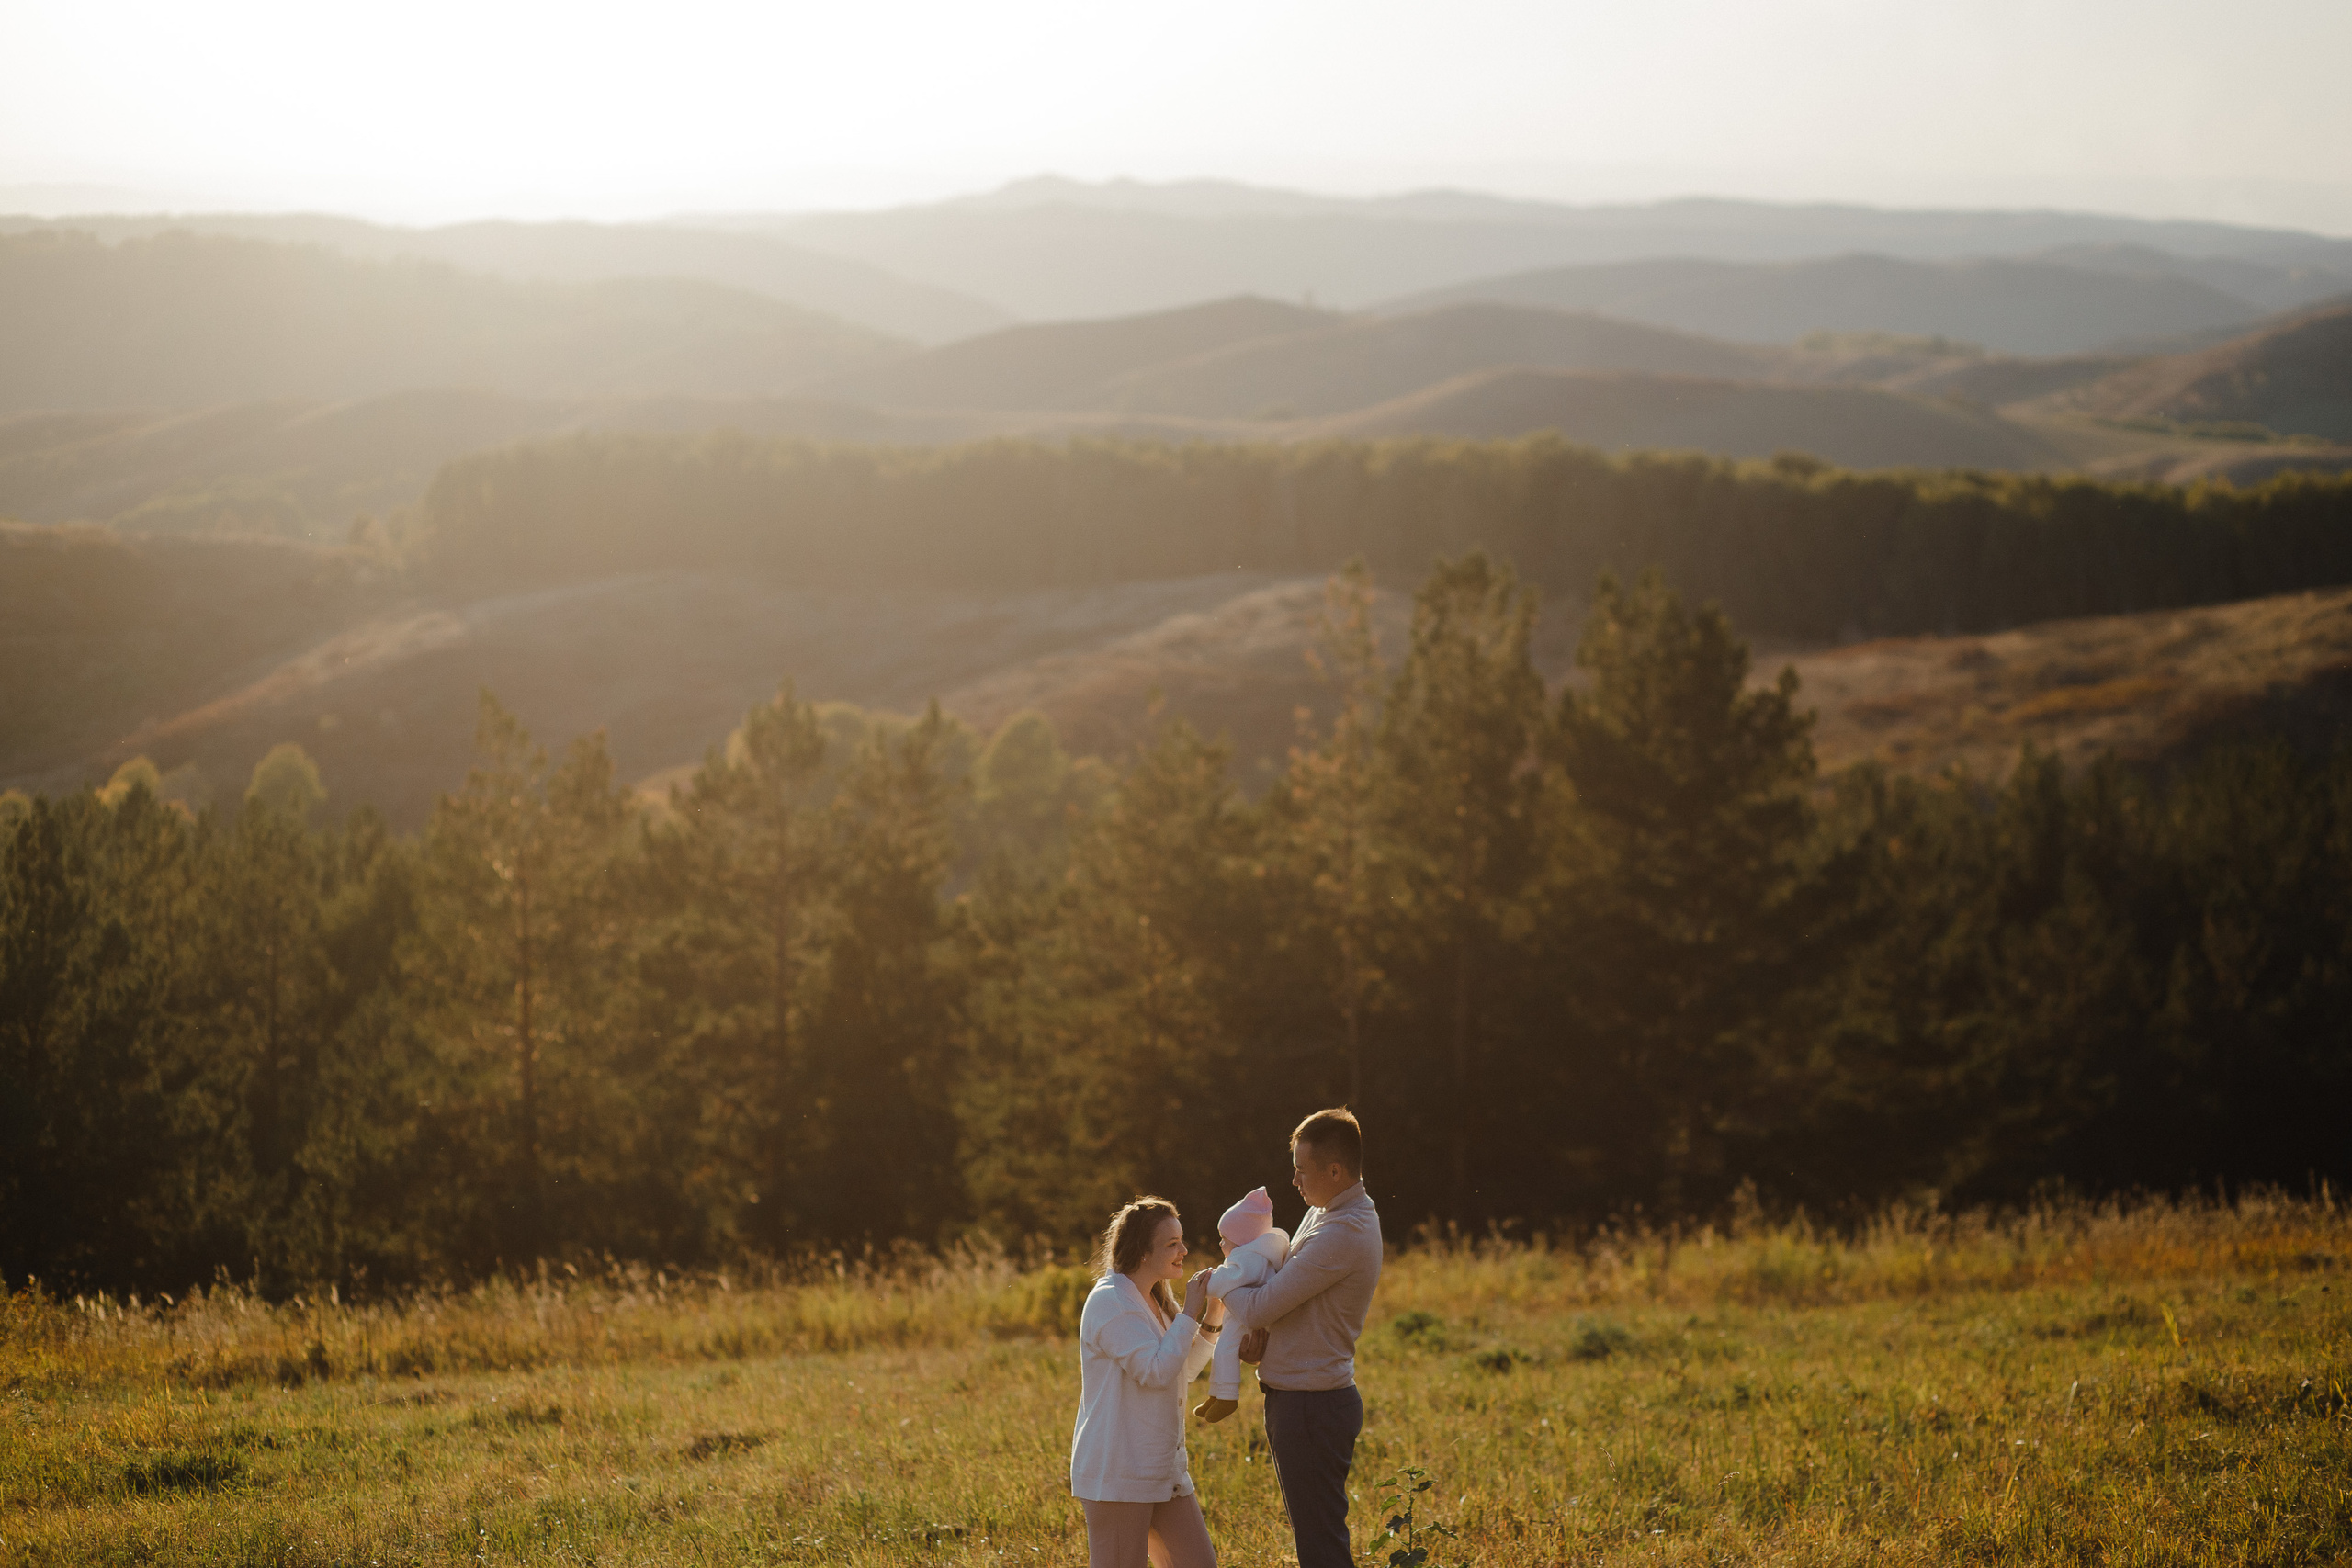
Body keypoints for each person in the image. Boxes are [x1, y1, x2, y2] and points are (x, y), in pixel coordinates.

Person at [1218, 1109, 1382, 1568]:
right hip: (1302, 1401)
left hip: (1312, 1407)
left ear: (1335, 1171)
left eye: (1302, 1169)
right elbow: (1281, 1302)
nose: (1293, 1180)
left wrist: (1222, 1277)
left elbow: (1258, 1305)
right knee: (1317, 1542)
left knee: (1321, 1549)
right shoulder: (1323, 1212)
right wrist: (1264, 1339)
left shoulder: (1344, 1231)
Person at [1069, 1195, 1227, 1568]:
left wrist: (1213, 1314)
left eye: (1181, 1241)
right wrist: (1190, 1310)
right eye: (1172, 1244)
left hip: (1163, 1470)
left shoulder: (1155, 1299)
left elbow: (1181, 1370)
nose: (1184, 1251)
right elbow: (1155, 1372)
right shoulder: (1110, 1301)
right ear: (1142, 1252)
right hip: (1119, 1474)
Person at [1193, 1185, 1288, 1423]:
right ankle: (1217, 1394)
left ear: (1240, 1240)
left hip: (1246, 1317)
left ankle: (1226, 1397)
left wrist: (1206, 1282)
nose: (1220, 1244)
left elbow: (1228, 1279)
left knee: (1225, 1350)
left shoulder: (1249, 1258)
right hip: (1244, 1312)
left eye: (1224, 1239)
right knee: (1222, 1349)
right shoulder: (1255, 1256)